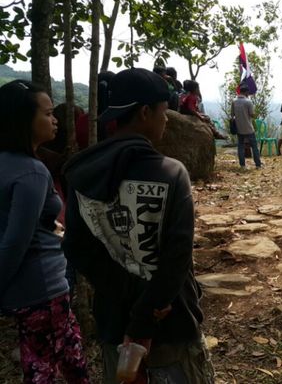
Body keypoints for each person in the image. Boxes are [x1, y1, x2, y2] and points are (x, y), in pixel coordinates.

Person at [62, 68, 215, 383]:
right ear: (145, 113)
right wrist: (146, 312)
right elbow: (176, 258)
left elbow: (77, 247)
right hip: (170, 318)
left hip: (114, 319)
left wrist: (130, 298)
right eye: (163, 111)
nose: (168, 119)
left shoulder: (79, 174)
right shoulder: (171, 174)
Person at [0, 80, 90, 384]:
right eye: (48, 113)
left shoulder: (6, 164)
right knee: (50, 365)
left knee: (59, 353)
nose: (55, 120)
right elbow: (16, 240)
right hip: (42, 285)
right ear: (24, 120)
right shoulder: (32, 171)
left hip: (25, 288)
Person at [232, 85, 262, 169]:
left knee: (240, 147)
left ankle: (242, 165)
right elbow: (252, 114)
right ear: (246, 92)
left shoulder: (234, 101)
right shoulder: (248, 102)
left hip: (239, 128)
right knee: (254, 147)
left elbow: (232, 115)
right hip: (248, 128)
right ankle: (258, 165)